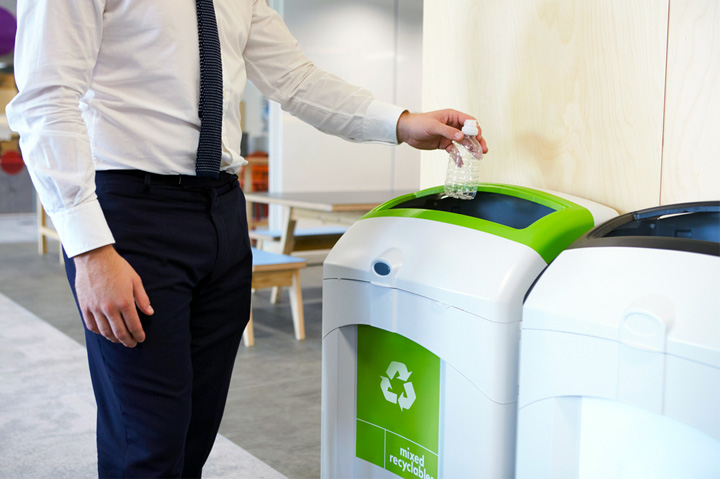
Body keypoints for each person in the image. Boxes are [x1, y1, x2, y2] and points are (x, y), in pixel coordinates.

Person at [7, 0, 488, 477]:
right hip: (132, 213)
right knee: (148, 440)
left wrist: (401, 124)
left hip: (221, 208)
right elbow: (46, 100)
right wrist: (90, 250)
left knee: (195, 429)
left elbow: (296, 80)